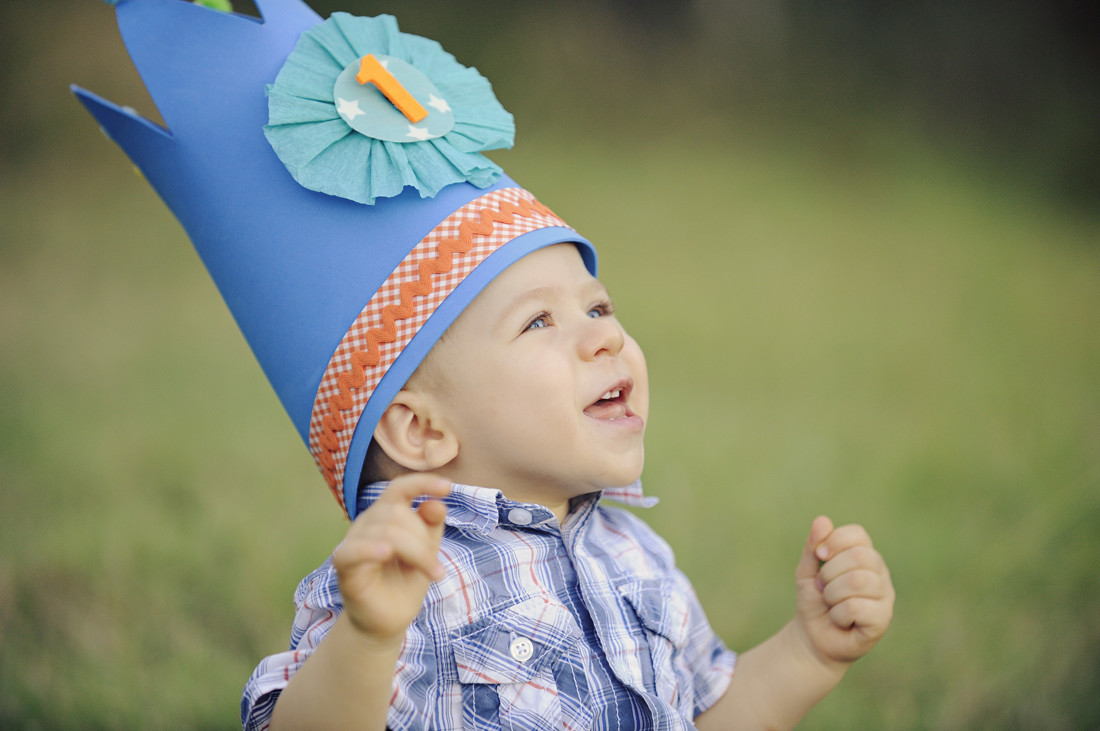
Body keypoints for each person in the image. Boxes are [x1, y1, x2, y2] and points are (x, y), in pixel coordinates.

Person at [74, 2, 893, 729]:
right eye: (540, 320)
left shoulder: (637, 559)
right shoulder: (399, 581)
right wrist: (367, 637)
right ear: (421, 426)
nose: (604, 337)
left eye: (599, 307)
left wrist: (806, 654)